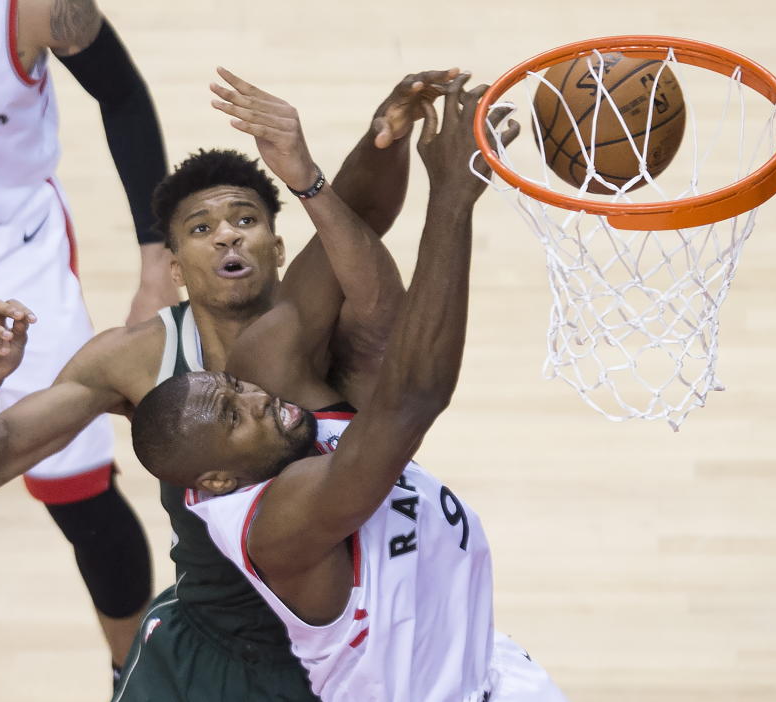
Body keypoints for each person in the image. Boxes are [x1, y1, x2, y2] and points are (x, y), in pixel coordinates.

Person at [0, 66, 459, 700]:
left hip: (350, 642)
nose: (227, 236)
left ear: (278, 245)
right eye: (201, 230)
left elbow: (362, 217)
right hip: (213, 640)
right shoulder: (133, 357)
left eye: (245, 220)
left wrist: (385, 136)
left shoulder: (310, 323)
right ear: (176, 265)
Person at [130, 76, 565, 702]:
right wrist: (451, 198)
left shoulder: (268, 417)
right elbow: (413, 397)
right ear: (220, 480)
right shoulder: (281, 522)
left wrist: (370, 144)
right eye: (234, 415)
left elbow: (349, 236)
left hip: (488, 669)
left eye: (234, 387)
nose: (256, 396)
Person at [0, 0, 175, 681]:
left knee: (78, 491)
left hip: (8, 260)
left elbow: (124, 95)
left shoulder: (38, 9)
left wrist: (156, 260)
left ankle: (135, 678)